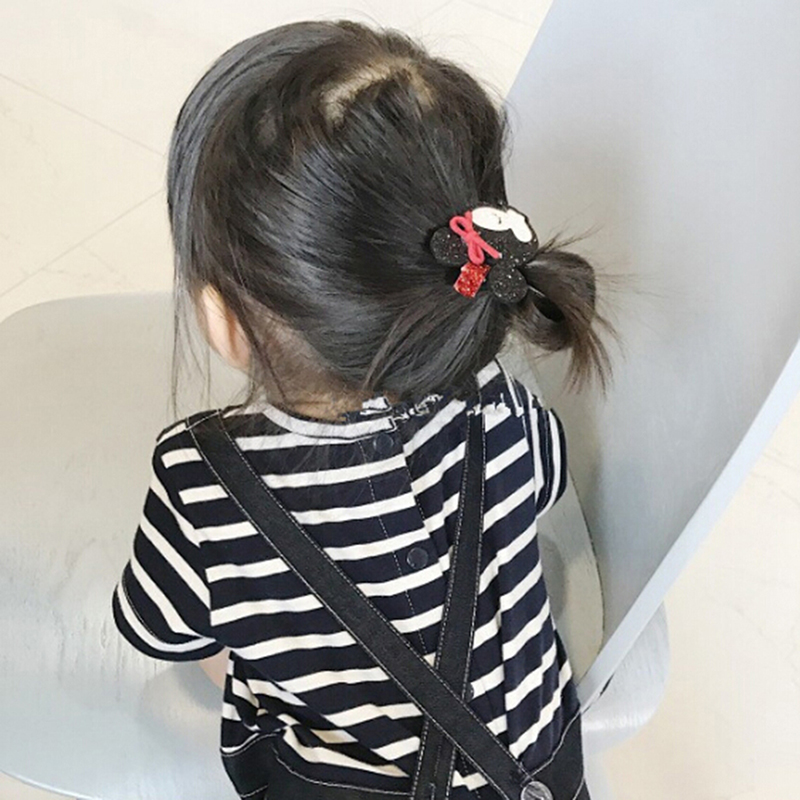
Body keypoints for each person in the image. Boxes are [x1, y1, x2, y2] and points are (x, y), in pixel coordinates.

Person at [111, 19, 614, 800]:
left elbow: (160, 628)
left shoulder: (203, 484)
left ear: (222, 320)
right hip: (542, 778)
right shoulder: (503, 407)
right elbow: (543, 490)